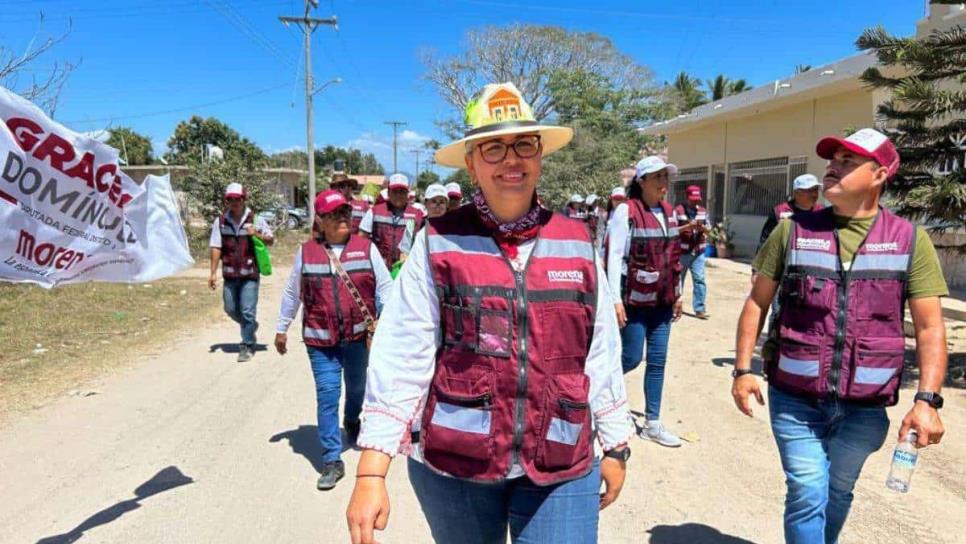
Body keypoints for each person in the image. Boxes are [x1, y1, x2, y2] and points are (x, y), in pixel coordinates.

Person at [346, 82, 632, 544]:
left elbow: (598, 349)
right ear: (472, 163)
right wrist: (371, 470)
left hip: (561, 459)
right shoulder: (438, 240)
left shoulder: (577, 240)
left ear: (540, 155)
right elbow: (403, 350)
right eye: (493, 148)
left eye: (523, 144)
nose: (511, 159)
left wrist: (616, 443)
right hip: (457, 466)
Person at [732, 129, 949, 544]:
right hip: (795, 397)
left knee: (837, 491)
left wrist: (927, 401)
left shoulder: (909, 240)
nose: (832, 167)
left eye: (848, 162)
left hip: (865, 407)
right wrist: (743, 369)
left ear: (879, 174)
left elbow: (929, 327)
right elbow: (757, 302)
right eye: (833, 160)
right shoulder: (792, 231)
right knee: (808, 490)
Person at [275, 189, 393, 491]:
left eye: (345, 212)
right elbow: (293, 293)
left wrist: (388, 322)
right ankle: (331, 459)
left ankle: (352, 420)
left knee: (357, 388)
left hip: (356, 339)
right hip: (321, 342)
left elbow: (385, 289)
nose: (342, 218)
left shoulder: (366, 249)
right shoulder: (307, 252)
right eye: (334, 214)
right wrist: (282, 327)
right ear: (322, 220)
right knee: (327, 394)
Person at [607, 156, 684, 447]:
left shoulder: (670, 212)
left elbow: (673, 257)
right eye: (657, 178)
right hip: (635, 301)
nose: (664, 184)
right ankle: (591, 394)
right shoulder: (626, 211)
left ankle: (652, 423)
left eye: (666, 177)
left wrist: (678, 293)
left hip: (662, 302)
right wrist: (615, 300)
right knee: (630, 357)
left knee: (658, 361)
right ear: (642, 182)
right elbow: (614, 258)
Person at [208, 183, 274, 362]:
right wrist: (213, 273)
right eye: (230, 199)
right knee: (230, 309)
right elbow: (216, 247)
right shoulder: (220, 222)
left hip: (250, 274)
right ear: (226, 201)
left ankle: (247, 344)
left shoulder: (256, 219)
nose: (234, 202)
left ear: (244, 199)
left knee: (247, 311)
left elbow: (271, 240)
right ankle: (251, 326)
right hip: (229, 274)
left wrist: (257, 234)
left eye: (237, 199)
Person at [358, 173, 425, 266]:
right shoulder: (374, 212)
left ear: (407, 193)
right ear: (388, 192)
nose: (398, 195)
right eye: (395, 191)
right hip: (379, 267)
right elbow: (361, 238)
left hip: (407, 268)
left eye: (402, 191)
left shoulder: (418, 214)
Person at [757, 173, 823, 252]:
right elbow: (765, 241)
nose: (814, 194)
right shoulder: (780, 211)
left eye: (816, 189)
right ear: (796, 193)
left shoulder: (822, 212)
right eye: (809, 190)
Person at [674, 185, 711, 319]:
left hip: (698, 251)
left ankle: (700, 309)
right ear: (687, 197)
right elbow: (673, 231)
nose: (695, 202)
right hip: (682, 252)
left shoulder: (702, 211)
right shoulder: (678, 211)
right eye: (692, 199)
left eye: (697, 199)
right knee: (678, 280)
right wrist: (688, 226)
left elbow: (710, 230)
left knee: (699, 279)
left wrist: (702, 228)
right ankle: (675, 306)